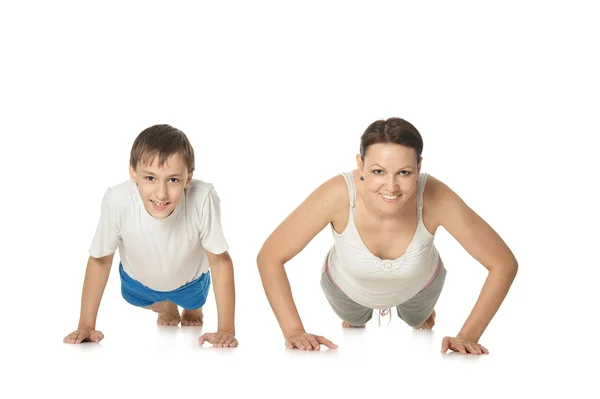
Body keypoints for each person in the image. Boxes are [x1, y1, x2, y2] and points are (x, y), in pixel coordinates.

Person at [256, 117, 518, 355]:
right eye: (378, 171)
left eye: (404, 172)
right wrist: (293, 331)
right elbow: (270, 257)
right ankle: (359, 315)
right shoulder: (337, 195)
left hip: (420, 285)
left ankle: (416, 315)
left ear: (419, 166)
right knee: (354, 321)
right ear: (360, 165)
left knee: (418, 321)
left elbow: (503, 264)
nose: (391, 187)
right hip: (346, 288)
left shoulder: (436, 197)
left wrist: (468, 335)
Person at [63, 124, 238, 347]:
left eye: (173, 180)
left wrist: (226, 329)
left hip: (190, 283)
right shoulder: (118, 200)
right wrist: (86, 324)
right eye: (150, 178)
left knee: (193, 302)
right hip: (138, 282)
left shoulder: (203, 198)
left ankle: (189, 306)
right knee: (144, 299)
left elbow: (219, 260)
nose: (161, 193)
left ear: (188, 178)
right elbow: (100, 259)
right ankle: (167, 305)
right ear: (133, 173)